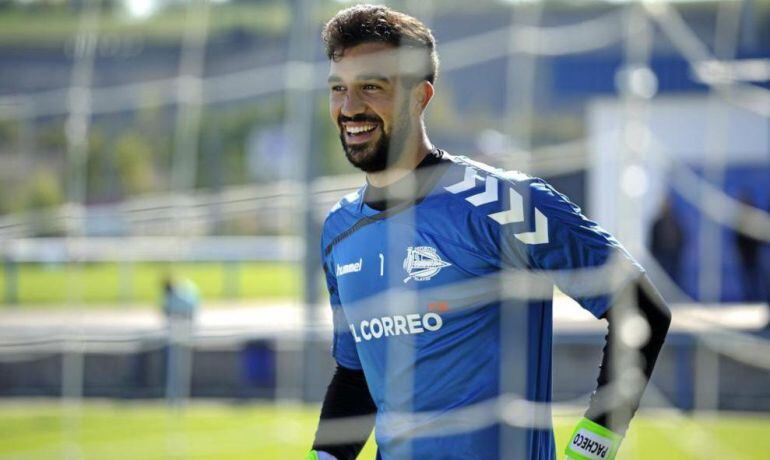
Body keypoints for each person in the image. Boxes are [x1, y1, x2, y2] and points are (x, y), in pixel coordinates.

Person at [309, 5, 671, 460]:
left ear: (419, 97)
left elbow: (641, 310)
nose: (350, 107)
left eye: (371, 88)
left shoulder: (501, 203)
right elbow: (356, 374)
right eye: (338, 89)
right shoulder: (340, 230)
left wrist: (592, 448)